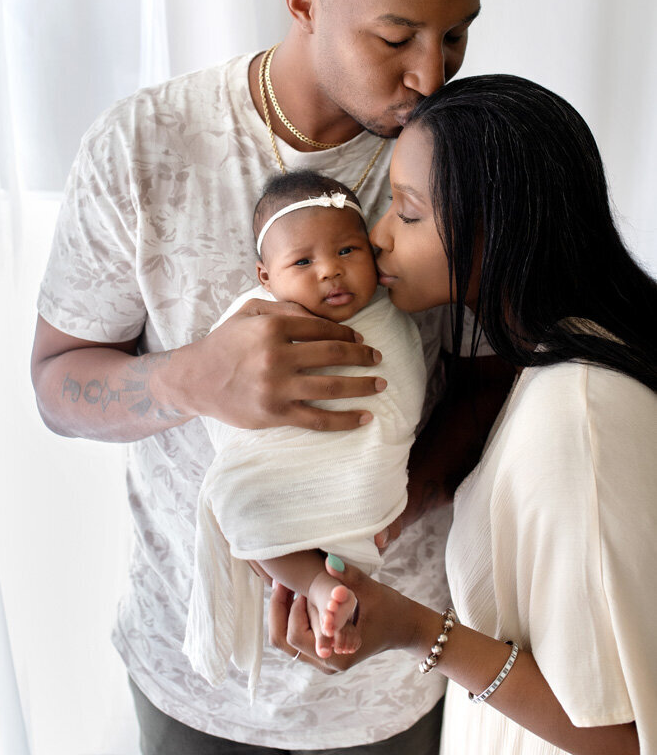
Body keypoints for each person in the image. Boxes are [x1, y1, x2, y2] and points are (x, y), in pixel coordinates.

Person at [30, 0, 486, 753]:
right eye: (395, 39)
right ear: (303, 2)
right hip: (192, 675)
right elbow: (55, 385)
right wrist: (190, 379)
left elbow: (492, 373)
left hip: (388, 677)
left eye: (457, 36)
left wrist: (383, 515)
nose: (431, 77)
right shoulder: (144, 146)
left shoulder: (465, 159)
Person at [270, 74, 657, 755]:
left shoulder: (577, 420)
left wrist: (417, 632)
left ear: (499, 227)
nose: (378, 239)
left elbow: (623, 739)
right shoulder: (560, 359)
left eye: (409, 212)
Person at [184, 170, 427, 697]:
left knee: (333, 535)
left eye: (347, 251)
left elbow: (400, 397)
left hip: (361, 487)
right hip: (276, 476)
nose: (330, 273)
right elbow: (222, 404)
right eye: (302, 262)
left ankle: (333, 592)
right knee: (247, 506)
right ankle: (318, 584)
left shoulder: (391, 314)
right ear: (265, 277)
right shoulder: (254, 320)